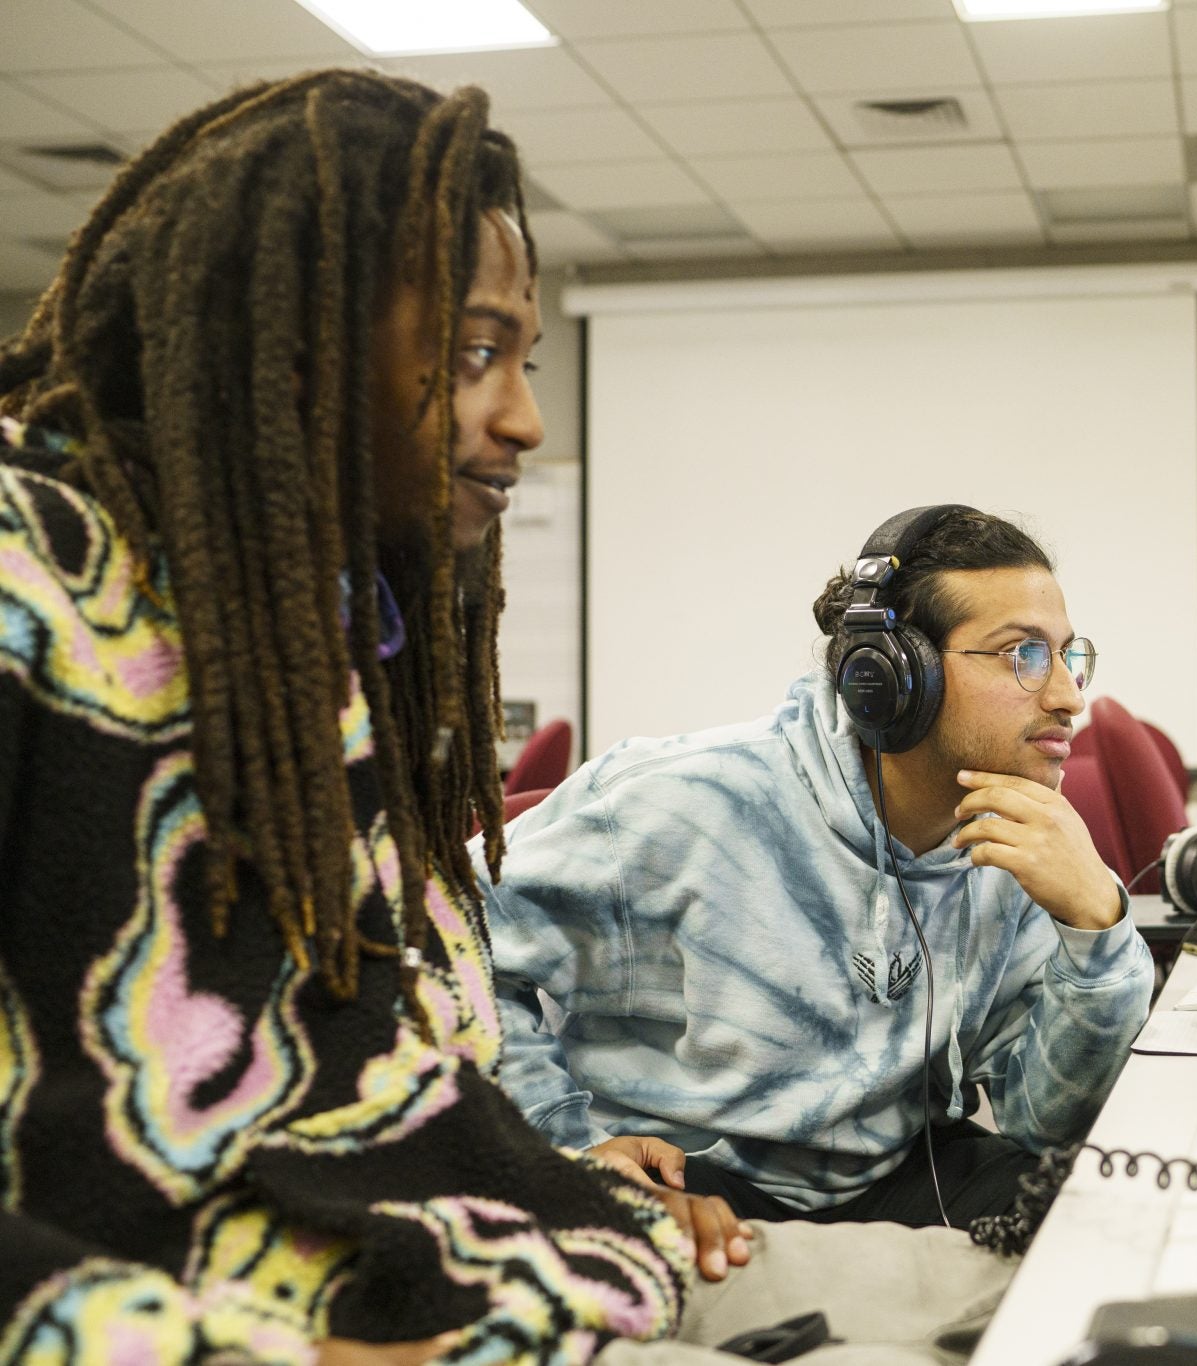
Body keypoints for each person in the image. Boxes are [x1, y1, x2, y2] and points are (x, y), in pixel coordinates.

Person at [0, 70, 764, 1363]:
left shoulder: (297, 649)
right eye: (475, 354)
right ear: (290, 343)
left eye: (522, 358)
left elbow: (351, 1083)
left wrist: (553, 1172)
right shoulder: (32, 575)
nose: (523, 417)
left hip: (495, 1278)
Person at [476, 506, 1154, 1228]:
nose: (1066, 696)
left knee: (1101, 1216)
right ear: (892, 678)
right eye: (1022, 655)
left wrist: (1095, 930)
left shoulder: (1014, 838)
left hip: (897, 1173)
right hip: (700, 1182)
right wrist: (564, 1146)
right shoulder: (689, 799)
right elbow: (445, 934)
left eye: (1068, 656)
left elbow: (1041, 1124)